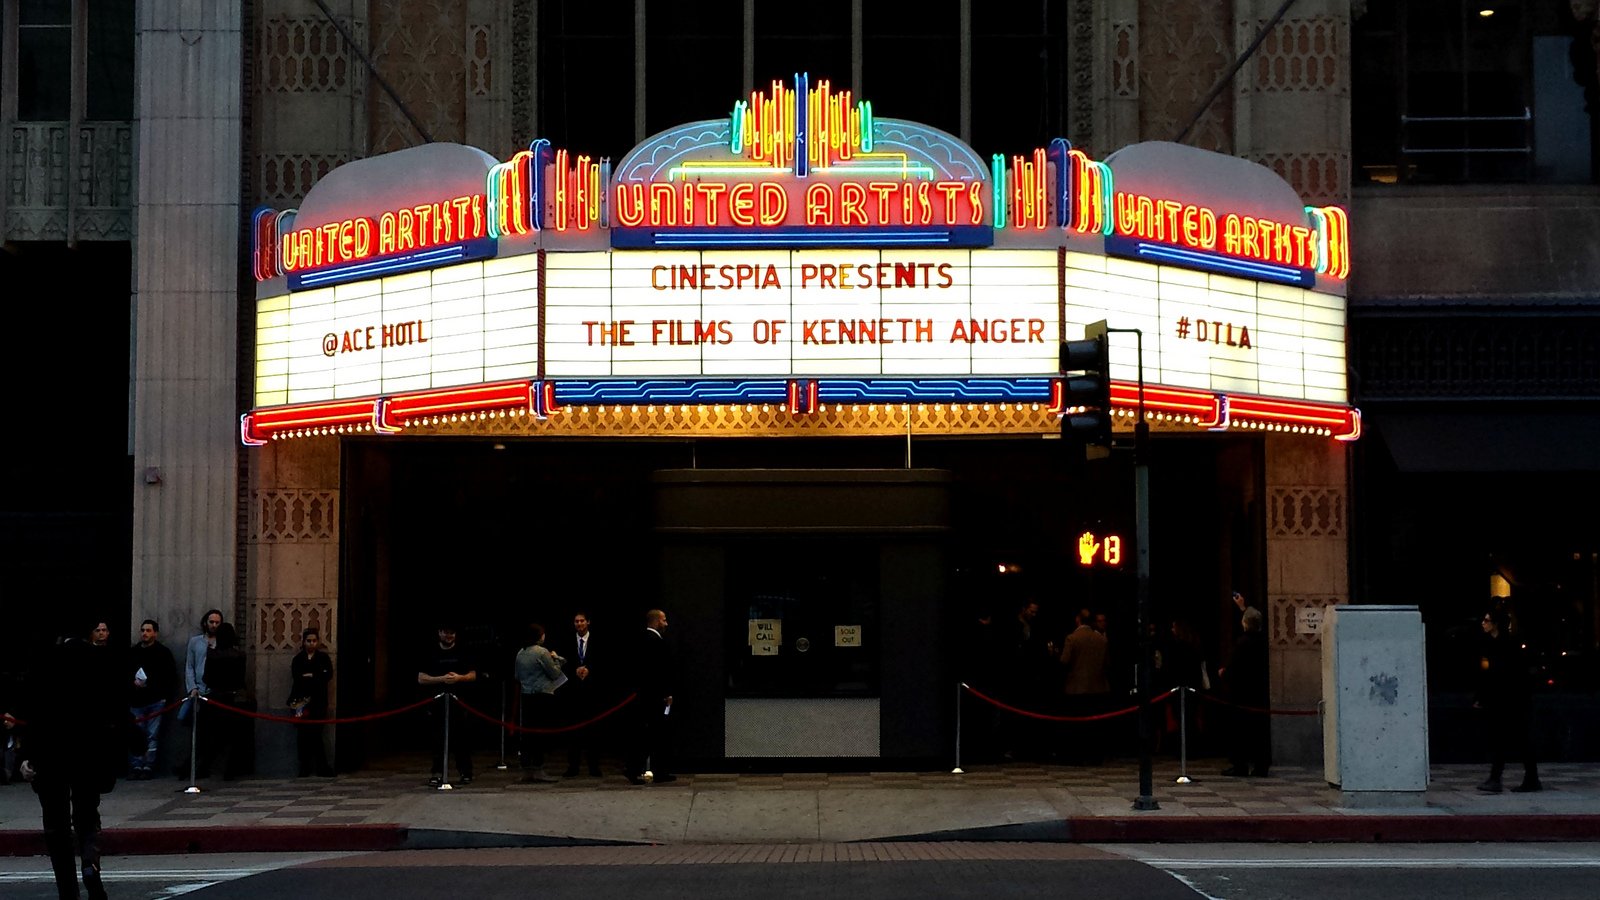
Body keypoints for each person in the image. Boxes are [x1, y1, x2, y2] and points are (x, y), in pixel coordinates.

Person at [16, 616, 123, 900]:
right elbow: (114, 707)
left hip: (51, 755)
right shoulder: (98, 660)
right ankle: (89, 862)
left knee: (56, 826)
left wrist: (27, 755)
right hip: (88, 753)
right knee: (87, 816)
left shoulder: (44, 661)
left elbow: (33, 712)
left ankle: (67, 889)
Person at [1475, 605, 1540, 793]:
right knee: (1508, 739)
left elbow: (1501, 674)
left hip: (1512, 699)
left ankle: (1518, 778)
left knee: (1514, 739)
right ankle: (1503, 778)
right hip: (1504, 698)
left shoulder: (1506, 645)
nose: (1483, 623)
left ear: (1495, 624)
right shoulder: (1491, 643)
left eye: (1487, 620)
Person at [417, 621, 478, 786]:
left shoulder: (463, 652)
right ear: (439, 633)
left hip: (459, 701)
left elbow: (473, 674)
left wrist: (459, 678)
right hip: (436, 701)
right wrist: (441, 679)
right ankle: (437, 772)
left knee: (462, 737)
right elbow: (421, 678)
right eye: (446, 632)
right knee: (437, 738)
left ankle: (465, 771)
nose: (449, 636)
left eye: (452, 633)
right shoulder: (430, 652)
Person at [625, 609, 676, 785]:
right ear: (656, 621)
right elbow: (659, 672)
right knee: (654, 735)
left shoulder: (640, 640)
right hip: (653, 697)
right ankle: (654, 770)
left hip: (641, 696)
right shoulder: (656, 642)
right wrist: (666, 693)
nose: (666, 623)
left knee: (644, 734)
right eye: (663, 620)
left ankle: (637, 769)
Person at [1220, 606, 1270, 777]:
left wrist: (1224, 673)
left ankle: (1240, 764)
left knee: (1240, 731)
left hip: (1242, 694)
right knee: (1259, 731)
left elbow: (1234, 667)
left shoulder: (1243, 643)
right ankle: (1261, 765)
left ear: (1245, 623)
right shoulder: (1264, 642)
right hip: (1260, 693)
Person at [513, 623, 566, 783]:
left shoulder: (520, 653)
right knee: (540, 734)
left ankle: (527, 770)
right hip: (541, 697)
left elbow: (516, 676)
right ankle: (538, 769)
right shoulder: (541, 652)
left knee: (527, 734)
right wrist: (557, 659)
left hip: (526, 696)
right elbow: (555, 672)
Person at [556, 611, 605, 777]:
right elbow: (562, 662)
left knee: (594, 731)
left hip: (592, 692)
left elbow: (605, 660)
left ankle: (594, 766)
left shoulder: (598, 640)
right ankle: (573, 766)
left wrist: (589, 669)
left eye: (582, 621)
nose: (579, 624)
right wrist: (574, 669)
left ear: (588, 622)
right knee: (573, 732)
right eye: (576, 621)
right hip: (573, 692)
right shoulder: (566, 641)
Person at [197, 623, 250, 779]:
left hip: (215, 699)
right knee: (235, 739)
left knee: (211, 737)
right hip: (233, 699)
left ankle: (204, 767)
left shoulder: (212, 655)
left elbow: (207, 678)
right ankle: (232, 770)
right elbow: (241, 679)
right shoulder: (240, 655)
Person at [175, 609, 223, 776]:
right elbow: (189, 665)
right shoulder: (195, 642)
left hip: (214, 693)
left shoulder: (222, 642)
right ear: (205, 623)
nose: (214, 625)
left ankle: (201, 765)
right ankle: (191, 765)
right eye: (212, 622)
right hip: (198, 691)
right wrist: (192, 687)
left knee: (210, 732)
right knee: (193, 726)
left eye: (217, 622)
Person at [1060, 607, 1111, 763]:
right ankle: (1094, 754)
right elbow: (1107, 662)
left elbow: (1064, 661)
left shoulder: (1072, 638)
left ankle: (1078, 755)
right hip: (1098, 686)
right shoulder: (1101, 639)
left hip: (1077, 687)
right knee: (1094, 725)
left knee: (1078, 725)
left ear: (1078, 620)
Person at [128, 618, 176, 780]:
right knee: (136, 734)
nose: (145, 634)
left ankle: (148, 765)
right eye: (143, 630)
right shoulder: (134, 652)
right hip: (137, 700)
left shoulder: (163, 653)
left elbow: (169, 676)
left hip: (155, 699)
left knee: (152, 734)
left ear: (155, 633)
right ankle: (136, 765)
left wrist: (163, 694)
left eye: (148, 631)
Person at [287, 627, 334, 777]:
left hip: (318, 702)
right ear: (303, 642)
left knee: (316, 734)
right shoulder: (298, 659)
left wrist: (312, 676)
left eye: (314, 641)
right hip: (301, 702)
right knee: (302, 736)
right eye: (309, 641)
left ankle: (322, 766)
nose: (311, 644)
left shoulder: (323, 658)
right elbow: (298, 677)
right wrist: (314, 677)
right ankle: (304, 767)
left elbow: (327, 675)